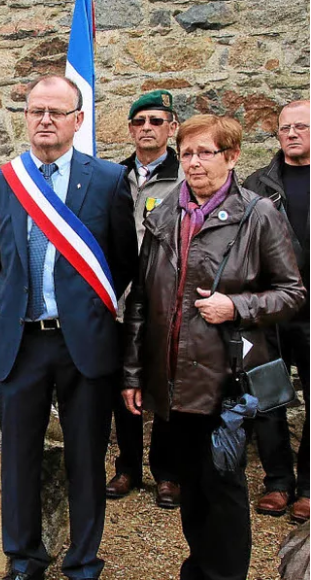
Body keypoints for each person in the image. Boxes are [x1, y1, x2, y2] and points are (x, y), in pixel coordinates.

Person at [123, 114, 305, 580]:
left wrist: (237, 306)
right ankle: (199, 570)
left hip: (226, 381)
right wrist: (134, 374)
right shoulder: (164, 215)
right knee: (192, 486)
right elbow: (141, 300)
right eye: (186, 153)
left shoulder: (258, 214)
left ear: (232, 156)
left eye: (205, 152)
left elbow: (292, 293)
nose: (194, 162)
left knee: (222, 488)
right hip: (173, 379)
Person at [0, 75, 137, 580]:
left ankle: (83, 561)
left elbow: (122, 262)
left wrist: (80, 307)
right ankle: (24, 558)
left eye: (56, 112)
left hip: (83, 343)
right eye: (36, 111)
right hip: (22, 341)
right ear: (26, 117)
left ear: (78, 120)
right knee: (18, 458)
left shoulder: (109, 180)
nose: (45, 120)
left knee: (86, 459)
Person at [107, 90, 184, 508]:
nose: (147, 128)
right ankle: (128, 467)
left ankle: (167, 472)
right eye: (140, 122)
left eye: (156, 121)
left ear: (172, 127)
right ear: (130, 129)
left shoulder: (184, 176)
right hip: (123, 296)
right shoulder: (114, 176)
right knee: (124, 382)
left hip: (165, 297)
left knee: (165, 383)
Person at [243, 99, 311, 522]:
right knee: (267, 396)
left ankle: (308, 487)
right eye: (285, 128)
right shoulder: (257, 183)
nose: (291, 134)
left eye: (301, 127)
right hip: (270, 310)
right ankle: (279, 482)